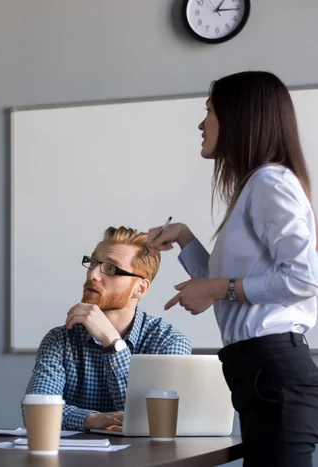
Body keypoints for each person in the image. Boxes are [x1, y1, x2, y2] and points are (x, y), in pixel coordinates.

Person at [147, 71, 318, 467]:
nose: (201, 123)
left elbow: (304, 278)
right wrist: (186, 239)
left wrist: (217, 289)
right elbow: (233, 282)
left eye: (209, 111)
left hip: (271, 366)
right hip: (256, 368)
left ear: (240, 117)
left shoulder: (270, 183)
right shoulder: (255, 186)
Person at [24, 226, 191, 431]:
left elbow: (152, 421)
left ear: (140, 288)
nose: (93, 274)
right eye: (93, 262)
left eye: (111, 269)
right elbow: (36, 411)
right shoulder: (60, 339)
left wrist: (113, 343)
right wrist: (91, 419)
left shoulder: (168, 342)